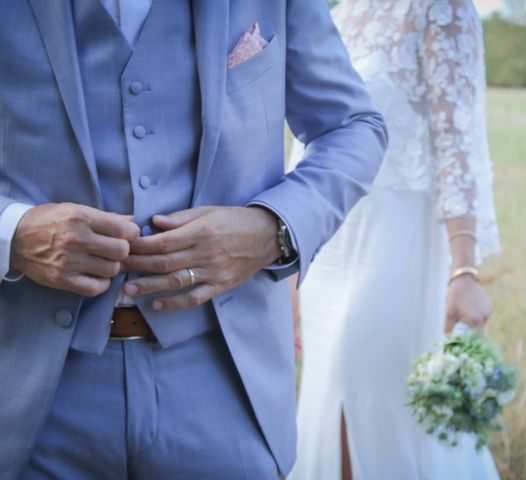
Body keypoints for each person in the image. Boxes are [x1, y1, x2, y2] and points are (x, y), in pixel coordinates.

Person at [0, 0, 387, 478]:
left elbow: (352, 127)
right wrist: (11, 234)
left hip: (224, 380)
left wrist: (272, 228)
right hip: (25, 392)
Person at [289, 0, 501, 478]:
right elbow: (308, 141)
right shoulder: (337, 14)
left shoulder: (441, 8)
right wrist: (291, 266)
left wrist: (464, 269)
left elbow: (459, 140)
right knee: (325, 401)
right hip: (330, 244)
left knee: (375, 402)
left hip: (397, 244)